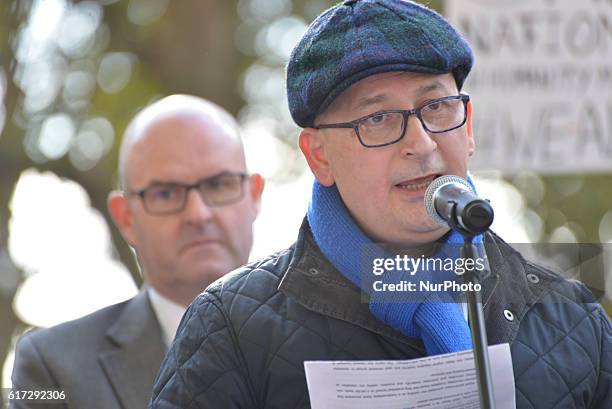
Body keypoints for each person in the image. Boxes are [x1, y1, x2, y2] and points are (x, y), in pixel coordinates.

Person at [149, 1, 612, 408]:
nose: (421, 142)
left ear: (468, 128)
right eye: (378, 118)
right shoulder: (231, 328)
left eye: (436, 108)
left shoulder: (570, 316)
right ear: (319, 156)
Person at [10, 95, 264, 409]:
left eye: (218, 185)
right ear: (125, 218)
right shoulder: (52, 368)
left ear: (253, 195)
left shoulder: (327, 339)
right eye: (166, 193)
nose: (198, 214)